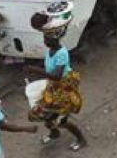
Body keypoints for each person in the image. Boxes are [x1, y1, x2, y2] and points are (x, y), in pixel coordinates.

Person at [27, 18, 87, 151]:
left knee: (62, 119)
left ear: (55, 39)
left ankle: (81, 139)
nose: (45, 41)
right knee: (45, 114)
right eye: (44, 38)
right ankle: (54, 133)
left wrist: (35, 70)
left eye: (47, 39)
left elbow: (57, 75)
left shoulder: (62, 53)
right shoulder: (50, 50)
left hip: (64, 87)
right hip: (53, 86)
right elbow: (50, 70)